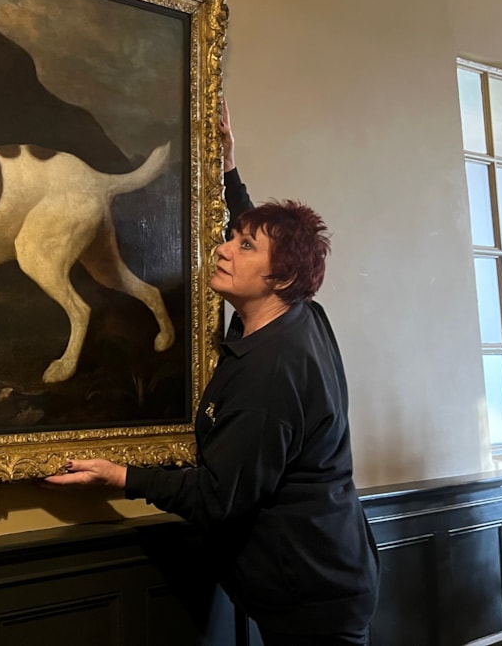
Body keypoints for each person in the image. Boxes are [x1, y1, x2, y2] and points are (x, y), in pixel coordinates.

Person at [45, 100, 378, 645]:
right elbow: (260, 243)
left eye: (243, 246)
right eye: (234, 237)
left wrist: (120, 476)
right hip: (326, 571)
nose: (223, 249)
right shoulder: (298, 311)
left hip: (310, 594)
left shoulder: (270, 374)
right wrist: (227, 168)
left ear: (279, 276)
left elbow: (217, 498)